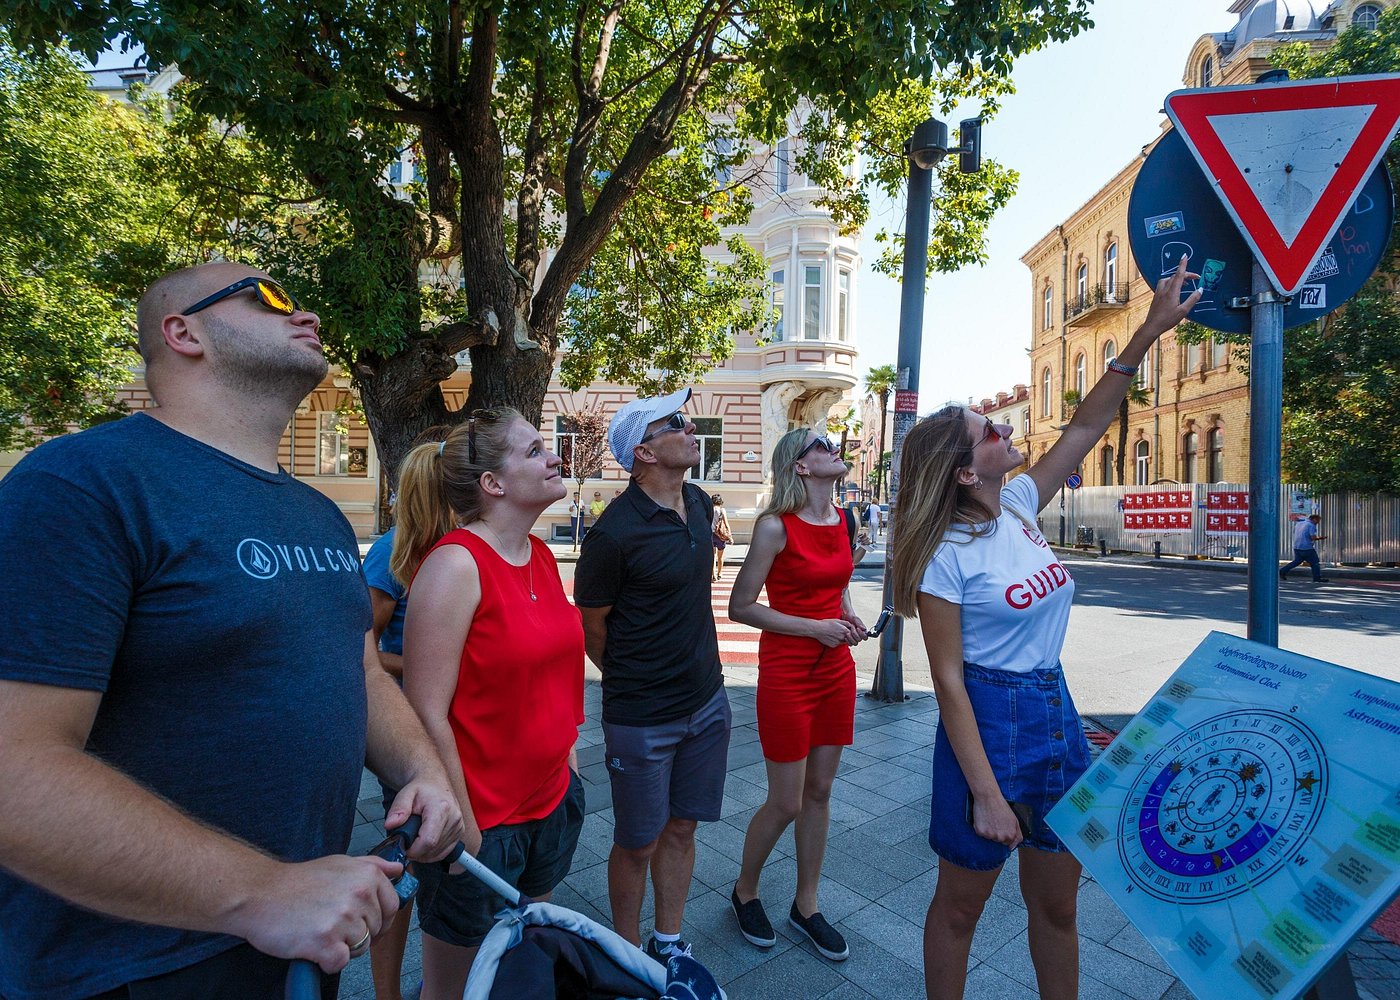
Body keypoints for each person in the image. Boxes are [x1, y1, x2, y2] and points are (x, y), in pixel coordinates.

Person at [0, 263, 464, 1000]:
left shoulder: (314, 511)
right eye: (270, 295)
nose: (303, 309)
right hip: (127, 968)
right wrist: (262, 893)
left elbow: (362, 672)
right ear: (182, 333)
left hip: (295, 947)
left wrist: (423, 771)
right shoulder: (81, 483)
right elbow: (13, 769)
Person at [888, 257, 1200, 1000]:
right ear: (966, 472)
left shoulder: (1021, 501)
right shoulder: (944, 557)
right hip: (988, 724)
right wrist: (987, 793)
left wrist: (1147, 332)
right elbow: (950, 683)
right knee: (962, 906)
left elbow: (1090, 421)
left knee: (1058, 903)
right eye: (988, 430)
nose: (1005, 428)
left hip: (1055, 714)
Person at [393, 408, 586, 1000]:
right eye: (533, 451)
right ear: (492, 484)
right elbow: (426, 709)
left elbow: (555, 676)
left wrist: (570, 771)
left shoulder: (542, 556)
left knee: (518, 970)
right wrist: (466, 829)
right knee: (454, 990)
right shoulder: (454, 565)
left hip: (550, 805)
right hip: (481, 826)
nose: (553, 456)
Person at [575, 388, 731, 961]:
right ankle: (625, 951)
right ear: (643, 451)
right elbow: (593, 628)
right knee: (637, 841)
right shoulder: (613, 533)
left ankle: (667, 941)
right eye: (676, 423)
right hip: (642, 715)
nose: (690, 429)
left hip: (708, 702)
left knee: (684, 828)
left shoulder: (698, 502)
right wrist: (636, 679)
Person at [728, 428, 866, 962]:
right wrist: (814, 628)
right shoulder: (773, 528)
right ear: (800, 467)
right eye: (820, 445)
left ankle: (806, 905)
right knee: (786, 799)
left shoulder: (845, 518)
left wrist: (846, 610)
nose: (833, 447)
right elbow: (742, 607)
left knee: (820, 792)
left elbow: (836, 581)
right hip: (788, 671)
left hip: (836, 670)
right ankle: (745, 890)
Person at [364, 428, 452, 1000]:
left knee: (442, 857)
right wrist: (425, 662)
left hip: (452, 720)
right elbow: (364, 647)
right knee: (408, 857)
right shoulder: (392, 551)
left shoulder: (464, 548)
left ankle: (441, 976)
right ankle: (388, 992)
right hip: (405, 721)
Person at [1280, 514, 1329, 583]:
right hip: (1307, 548)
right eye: (1318, 520)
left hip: (1297, 547)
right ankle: (1317, 578)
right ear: (1314, 519)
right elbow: (1313, 537)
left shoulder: (1299, 523)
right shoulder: (1311, 525)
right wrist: (1322, 538)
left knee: (1297, 561)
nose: (1318, 522)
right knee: (1315, 563)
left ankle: (1282, 571)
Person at [711, 493, 733, 581]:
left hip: (711, 534)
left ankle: (713, 575)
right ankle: (719, 573)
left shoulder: (709, 510)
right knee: (720, 556)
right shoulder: (722, 510)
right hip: (720, 535)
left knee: (713, 556)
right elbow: (726, 524)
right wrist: (730, 536)